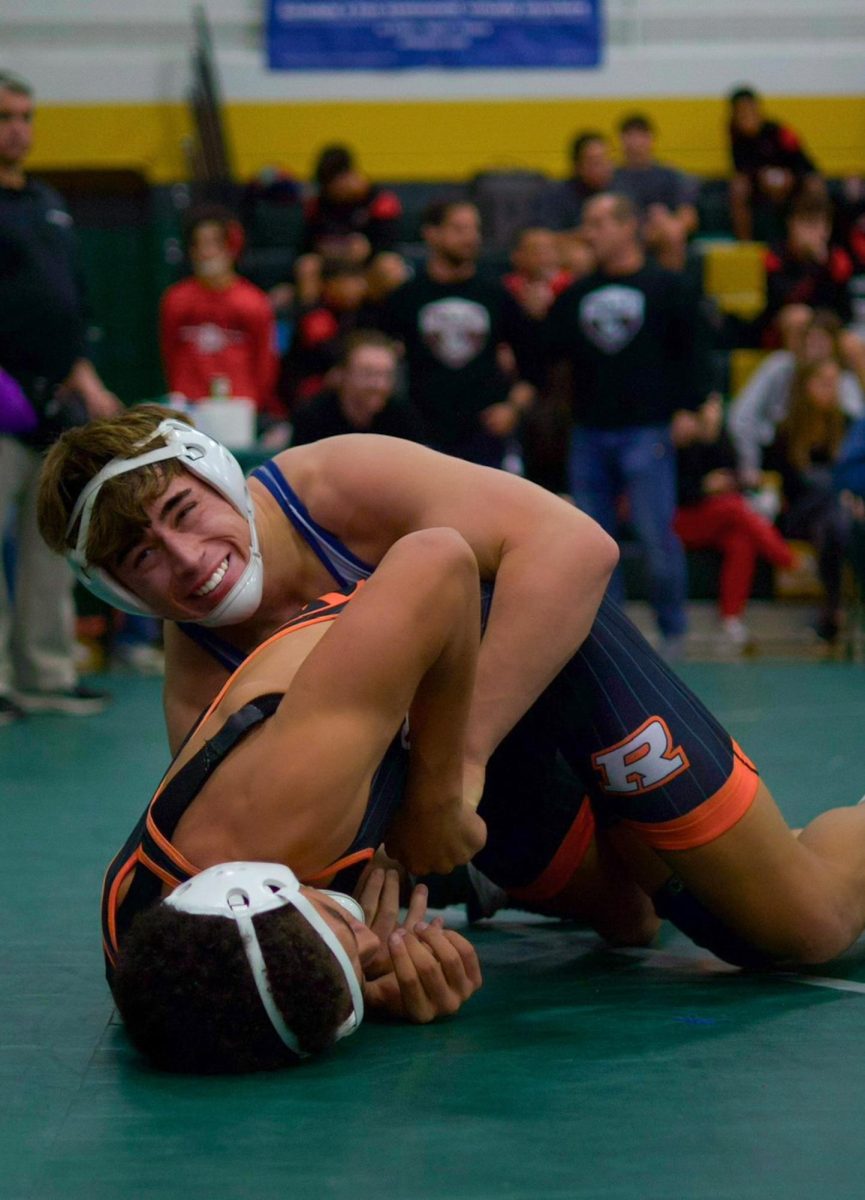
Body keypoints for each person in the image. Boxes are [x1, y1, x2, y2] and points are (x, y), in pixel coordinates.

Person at [98, 509, 865, 1073]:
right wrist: (379, 992)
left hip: (506, 644)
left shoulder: (283, 802)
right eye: (358, 962)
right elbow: (268, 995)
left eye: (346, 933)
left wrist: (445, 788)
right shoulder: (171, 974)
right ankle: (696, 847)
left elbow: (437, 559)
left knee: (795, 927)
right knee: (631, 917)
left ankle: (758, 860)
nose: (370, 942)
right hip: (413, 734)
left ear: (266, 881)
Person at [37, 406, 617, 764]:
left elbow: (576, 548)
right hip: (469, 811)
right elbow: (247, 853)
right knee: (626, 918)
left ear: (218, 476)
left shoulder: (336, 483)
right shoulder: (199, 686)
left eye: (186, 512)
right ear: (120, 594)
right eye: (143, 557)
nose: (187, 560)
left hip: (545, 718)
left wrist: (457, 759)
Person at [546, 192, 711, 657]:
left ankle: (673, 631)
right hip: (590, 430)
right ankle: (608, 637)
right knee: (595, 545)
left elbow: (692, 350)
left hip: (648, 428)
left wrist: (692, 407)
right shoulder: (576, 293)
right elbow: (551, 351)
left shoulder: (666, 286)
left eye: (598, 224)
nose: (590, 233)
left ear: (626, 227)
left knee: (655, 534)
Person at [0, 69, 116, 724]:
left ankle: (46, 673)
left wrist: (86, 380)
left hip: (55, 405)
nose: (18, 127)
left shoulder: (47, 201)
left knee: (51, 543)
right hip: (1, 403)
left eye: (26, 115)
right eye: (5, 116)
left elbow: (70, 303)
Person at [377, 199, 537, 469]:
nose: (471, 237)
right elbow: (378, 353)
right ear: (431, 233)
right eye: (459, 229)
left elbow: (534, 365)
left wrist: (513, 409)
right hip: (422, 434)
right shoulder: (405, 297)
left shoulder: (495, 296)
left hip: (484, 436)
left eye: (475, 229)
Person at [674, 394, 794, 652]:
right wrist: (704, 486)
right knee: (734, 508)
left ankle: (730, 621)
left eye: (716, 407)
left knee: (741, 540)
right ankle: (788, 560)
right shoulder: (676, 436)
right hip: (679, 520)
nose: (712, 413)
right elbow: (672, 492)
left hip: (715, 519)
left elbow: (735, 475)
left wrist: (713, 441)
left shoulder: (721, 438)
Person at [159, 205, 280, 416]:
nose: (206, 252)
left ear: (232, 246)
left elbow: (265, 361)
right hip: (188, 404)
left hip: (240, 405)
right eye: (198, 244)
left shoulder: (253, 302)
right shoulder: (176, 299)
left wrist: (255, 402)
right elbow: (169, 352)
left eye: (214, 243)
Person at [765, 357, 853, 643]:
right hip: (797, 515)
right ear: (807, 386)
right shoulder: (787, 429)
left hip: (832, 519)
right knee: (833, 507)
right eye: (824, 383)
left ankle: (832, 611)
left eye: (834, 384)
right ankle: (835, 609)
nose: (830, 390)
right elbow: (788, 488)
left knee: (833, 522)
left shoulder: (849, 426)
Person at [728, 309, 865, 487]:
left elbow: (857, 431)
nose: (816, 349)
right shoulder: (781, 368)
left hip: (830, 468)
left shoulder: (844, 382)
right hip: (782, 464)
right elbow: (742, 418)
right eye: (812, 340)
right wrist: (750, 466)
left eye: (822, 341)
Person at [294, 144, 405, 309]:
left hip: (367, 273)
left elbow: (388, 247)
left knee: (391, 267)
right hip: (330, 271)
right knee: (307, 266)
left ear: (348, 176)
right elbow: (305, 247)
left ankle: (385, 324)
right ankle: (311, 322)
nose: (332, 191)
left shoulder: (380, 201)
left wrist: (367, 252)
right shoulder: (318, 203)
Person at [290, 331, 424, 447]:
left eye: (386, 375)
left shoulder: (402, 417)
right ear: (341, 374)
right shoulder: (313, 417)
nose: (379, 385)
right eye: (368, 374)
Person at [727, 86, 823, 243]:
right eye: (741, 111)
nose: (746, 115)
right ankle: (745, 246)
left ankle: (815, 239)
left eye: (749, 109)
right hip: (758, 187)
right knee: (738, 188)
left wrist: (790, 177)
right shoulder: (735, 136)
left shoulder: (780, 132)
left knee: (815, 185)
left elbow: (805, 163)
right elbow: (741, 170)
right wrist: (762, 177)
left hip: (791, 182)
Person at [762, 196, 854, 350]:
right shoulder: (776, 256)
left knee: (853, 344)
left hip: (826, 321)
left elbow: (843, 308)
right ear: (792, 225)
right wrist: (814, 267)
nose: (819, 233)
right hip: (781, 326)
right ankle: (801, 372)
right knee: (798, 316)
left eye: (823, 225)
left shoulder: (837, 259)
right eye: (810, 225)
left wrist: (825, 266)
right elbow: (784, 298)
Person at [612, 112, 700, 272]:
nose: (635, 142)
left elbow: (688, 216)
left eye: (641, 135)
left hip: (661, 233)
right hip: (623, 236)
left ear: (651, 139)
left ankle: (672, 291)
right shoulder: (611, 178)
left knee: (672, 232)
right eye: (630, 136)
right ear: (621, 140)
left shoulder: (671, 176)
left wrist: (663, 225)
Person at [534, 132, 614, 232]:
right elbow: (541, 237)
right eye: (596, 162)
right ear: (578, 166)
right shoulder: (556, 197)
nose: (605, 168)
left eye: (608, 160)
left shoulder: (618, 193)